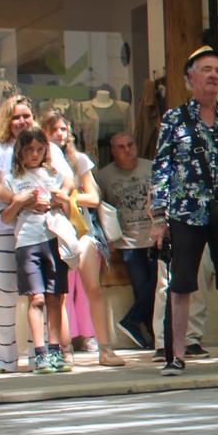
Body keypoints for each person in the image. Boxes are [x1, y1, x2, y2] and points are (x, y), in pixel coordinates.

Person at [149, 47, 218, 377]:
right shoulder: (174, 119)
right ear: (190, 79)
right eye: (206, 69)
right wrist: (158, 218)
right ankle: (177, 355)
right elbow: (161, 170)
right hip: (186, 213)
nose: (213, 75)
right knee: (181, 285)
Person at [0, 95, 68, 373]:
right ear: (6, 119)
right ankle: (2, 358)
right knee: (7, 292)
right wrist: (22, 200)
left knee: (42, 295)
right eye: (15, 116)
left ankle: (39, 355)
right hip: (8, 230)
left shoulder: (48, 148)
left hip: (47, 230)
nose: (21, 121)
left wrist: (52, 199)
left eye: (26, 116)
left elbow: (68, 180)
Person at [41, 109, 123, 368]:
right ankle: (64, 350)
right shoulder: (37, 160)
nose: (60, 134)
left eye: (64, 129)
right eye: (53, 129)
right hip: (53, 230)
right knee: (59, 294)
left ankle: (105, 348)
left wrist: (68, 197)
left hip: (82, 230)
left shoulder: (79, 160)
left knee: (93, 289)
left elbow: (95, 198)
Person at [2, 127, 71, 374]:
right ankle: (39, 353)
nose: (34, 154)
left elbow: (68, 207)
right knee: (37, 297)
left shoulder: (54, 176)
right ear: (20, 151)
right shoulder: (12, 179)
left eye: (39, 149)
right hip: (27, 241)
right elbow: (6, 217)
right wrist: (21, 201)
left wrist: (56, 200)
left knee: (55, 296)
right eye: (29, 149)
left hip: (53, 238)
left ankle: (55, 350)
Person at [95, 131, 157, 350]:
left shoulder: (151, 167)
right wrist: (106, 241)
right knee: (141, 288)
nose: (127, 150)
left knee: (157, 285)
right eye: (121, 147)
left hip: (153, 236)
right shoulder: (104, 176)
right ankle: (151, 335)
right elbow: (99, 209)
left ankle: (133, 321)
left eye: (130, 145)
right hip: (127, 242)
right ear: (113, 151)